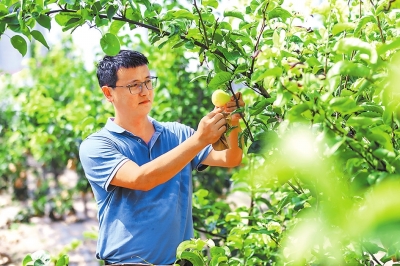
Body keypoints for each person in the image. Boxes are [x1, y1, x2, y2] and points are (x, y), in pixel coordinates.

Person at [79, 50, 245, 266]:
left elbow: (230, 158)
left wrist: (232, 121)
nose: (144, 91)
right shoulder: (97, 145)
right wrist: (199, 139)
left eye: (148, 82)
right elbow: (142, 179)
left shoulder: (177, 134)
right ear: (108, 93)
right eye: (134, 85)